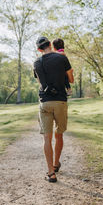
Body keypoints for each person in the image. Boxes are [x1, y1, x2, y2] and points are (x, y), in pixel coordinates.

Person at [34, 36, 74, 183]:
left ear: (39, 49)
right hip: (60, 101)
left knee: (47, 137)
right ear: (50, 44)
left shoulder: (37, 62)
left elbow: (40, 82)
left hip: (45, 102)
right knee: (59, 135)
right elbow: (70, 79)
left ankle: (51, 173)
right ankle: (56, 164)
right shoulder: (62, 58)